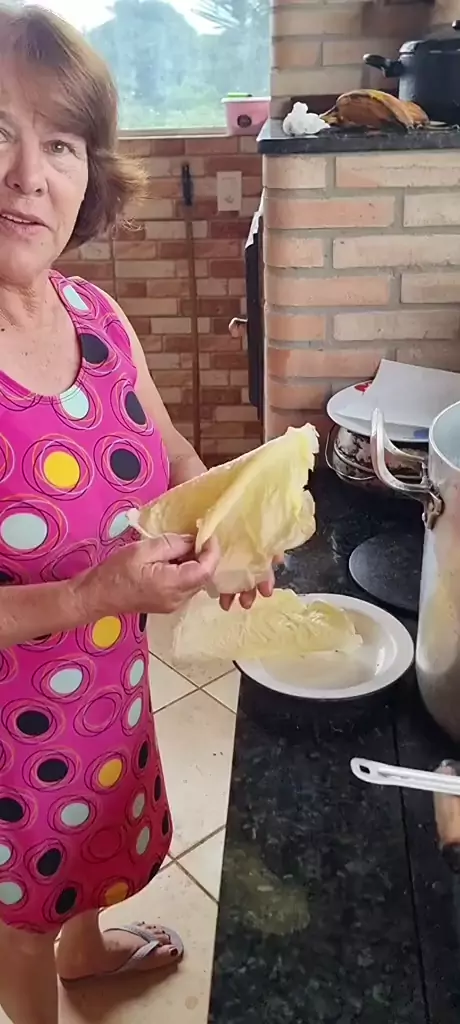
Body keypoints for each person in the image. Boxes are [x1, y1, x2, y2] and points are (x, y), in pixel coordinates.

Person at [0, 6, 276, 1022]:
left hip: (106, 684)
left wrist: (229, 528)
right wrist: (89, 593)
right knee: (17, 910)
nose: (28, 175)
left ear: (89, 175)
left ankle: (87, 952)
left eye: (61, 144)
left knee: (92, 834)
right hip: (8, 725)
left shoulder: (99, 318)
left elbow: (174, 458)